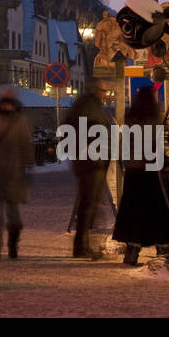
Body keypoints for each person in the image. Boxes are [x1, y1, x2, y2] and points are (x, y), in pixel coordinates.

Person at [111, 87, 169, 265]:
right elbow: (159, 146)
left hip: (134, 172)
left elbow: (124, 147)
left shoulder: (131, 120)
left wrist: (127, 162)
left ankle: (133, 250)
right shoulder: (155, 120)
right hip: (152, 172)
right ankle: (162, 249)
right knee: (157, 211)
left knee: (134, 212)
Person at [0, 86, 35, 261]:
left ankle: (13, 247)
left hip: (14, 172)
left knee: (13, 213)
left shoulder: (19, 120)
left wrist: (28, 165)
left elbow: (26, 144)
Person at [66, 80, 113, 259]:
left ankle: (84, 245)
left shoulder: (88, 105)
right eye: (102, 91)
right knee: (88, 204)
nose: (105, 94)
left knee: (90, 204)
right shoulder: (88, 106)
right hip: (92, 161)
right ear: (94, 89)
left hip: (91, 160)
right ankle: (81, 246)